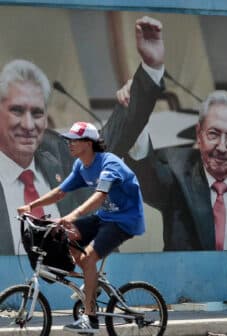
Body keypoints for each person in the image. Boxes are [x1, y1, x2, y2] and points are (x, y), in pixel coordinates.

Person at [0, 16, 164, 255]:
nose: (28, 124)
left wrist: (148, 71)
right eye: (17, 110)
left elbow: (113, 137)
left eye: (37, 113)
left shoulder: (59, 151)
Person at [112, 18, 227, 251]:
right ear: (198, 135)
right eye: (213, 134)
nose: (221, 147)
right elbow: (145, 171)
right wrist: (137, 104)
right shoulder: (179, 174)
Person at [18, 120, 145, 334]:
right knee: (65, 235)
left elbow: (99, 196)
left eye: (74, 140)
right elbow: (60, 192)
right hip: (104, 217)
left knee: (88, 259)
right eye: (68, 140)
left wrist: (74, 214)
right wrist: (32, 205)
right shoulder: (81, 166)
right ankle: (91, 284)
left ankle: (91, 317)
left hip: (125, 221)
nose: (69, 144)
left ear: (89, 143)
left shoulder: (109, 164)